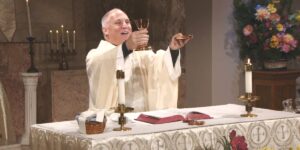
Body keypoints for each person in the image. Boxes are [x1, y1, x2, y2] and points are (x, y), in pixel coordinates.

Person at [86, 8, 191, 112]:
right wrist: (126, 47)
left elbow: (161, 66)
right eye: (118, 23)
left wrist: (173, 50)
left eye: (127, 22)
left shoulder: (141, 53)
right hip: (115, 120)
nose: (125, 25)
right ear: (105, 30)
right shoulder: (96, 55)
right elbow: (102, 64)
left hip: (143, 118)